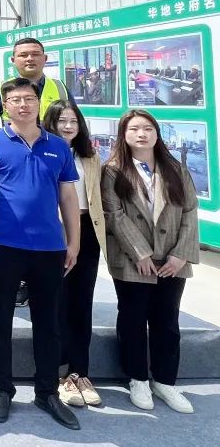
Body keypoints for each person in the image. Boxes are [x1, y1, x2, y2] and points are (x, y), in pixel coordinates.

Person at [0, 78, 82, 430]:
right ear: (5, 106)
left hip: (49, 247)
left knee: (48, 323)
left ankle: (46, 392)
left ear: (38, 103)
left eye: (29, 99)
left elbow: (68, 197)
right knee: (0, 320)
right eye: (15, 100)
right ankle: (1, 390)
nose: (23, 105)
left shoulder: (58, 146)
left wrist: (74, 242)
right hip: (3, 245)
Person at [102, 109, 200, 414]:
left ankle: (165, 381)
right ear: (124, 134)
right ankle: (138, 378)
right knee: (132, 318)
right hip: (133, 258)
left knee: (167, 320)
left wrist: (181, 253)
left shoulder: (175, 169)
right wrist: (140, 252)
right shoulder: (113, 170)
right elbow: (114, 214)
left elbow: (190, 211)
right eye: (134, 129)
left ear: (157, 134)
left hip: (173, 258)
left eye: (147, 128)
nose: (141, 134)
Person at [0, 37, 72, 308]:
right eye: (23, 55)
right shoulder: (0, 89)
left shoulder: (59, 87)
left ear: (45, 58)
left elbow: (72, 120)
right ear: (13, 60)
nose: (29, 59)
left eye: (35, 54)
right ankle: (21, 285)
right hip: (12, 165)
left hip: (52, 162)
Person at [41, 100, 105, 409]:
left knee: (82, 303)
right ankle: (60, 373)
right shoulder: (43, 153)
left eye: (73, 121)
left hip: (87, 230)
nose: (68, 126)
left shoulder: (90, 157)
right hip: (54, 231)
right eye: (61, 121)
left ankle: (80, 373)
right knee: (58, 303)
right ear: (50, 124)